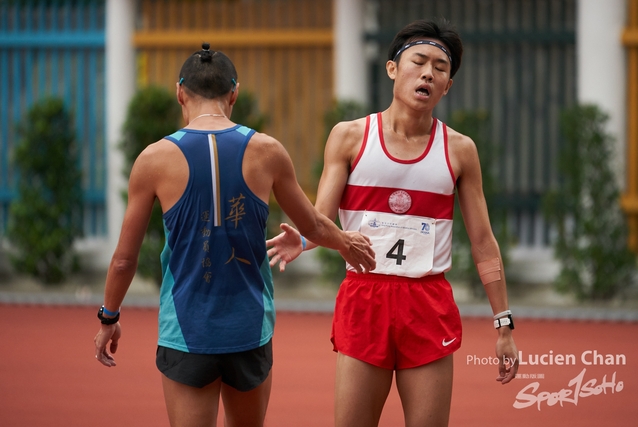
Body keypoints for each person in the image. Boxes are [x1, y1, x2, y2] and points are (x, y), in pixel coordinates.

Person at [93, 43, 376, 427]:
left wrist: (108, 315)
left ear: (180, 93)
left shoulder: (153, 159)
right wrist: (347, 242)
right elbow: (312, 225)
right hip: (249, 328)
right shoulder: (267, 151)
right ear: (234, 94)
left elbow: (124, 259)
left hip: (187, 331)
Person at [266, 19, 519, 426]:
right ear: (392, 69)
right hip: (365, 298)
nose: (428, 73)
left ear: (447, 85)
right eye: (419, 61)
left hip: (427, 301)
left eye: (440, 68)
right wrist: (306, 240)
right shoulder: (349, 137)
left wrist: (503, 323)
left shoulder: (459, 151)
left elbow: (484, 243)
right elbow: (321, 219)